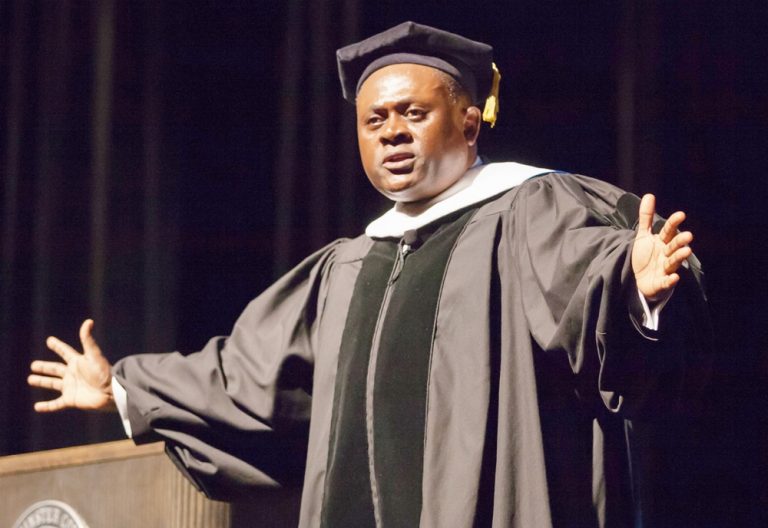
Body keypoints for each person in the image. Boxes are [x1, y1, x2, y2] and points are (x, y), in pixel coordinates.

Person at [28, 21, 710, 528]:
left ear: (471, 125)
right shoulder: (346, 267)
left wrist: (635, 290)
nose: (392, 133)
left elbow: (589, 280)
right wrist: (122, 385)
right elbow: (247, 376)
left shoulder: (528, 212)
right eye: (374, 120)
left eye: (414, 114)